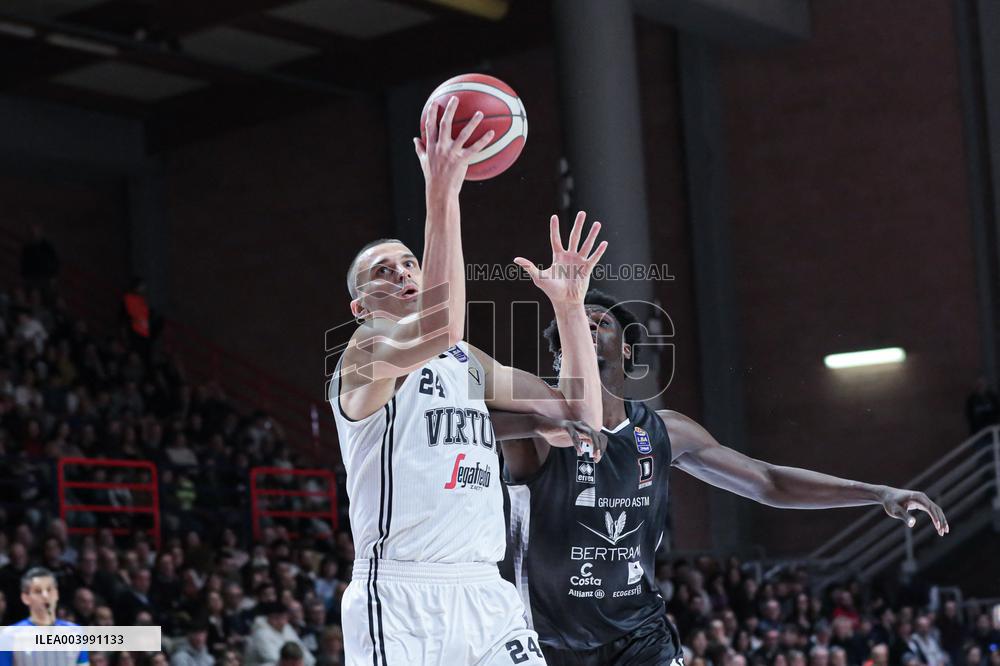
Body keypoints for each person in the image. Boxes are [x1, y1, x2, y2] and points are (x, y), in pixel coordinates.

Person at [501, 289, 950, 665]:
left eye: (599, 322)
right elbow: (466, 411)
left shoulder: (664, 431)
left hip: (639, 638)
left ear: (628, 351)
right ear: (561, 352)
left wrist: (877, 493)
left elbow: (768, 482)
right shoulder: (532, 430)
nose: (588, 328)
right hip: (545, 641)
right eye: (575, 324)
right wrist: (539, 421)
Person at [330, 96, 609, 665]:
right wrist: (442, 191)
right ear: (360, 307)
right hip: (401, 596)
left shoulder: (464, 362)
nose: (403, 273)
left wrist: (570, 308)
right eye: (384, 271)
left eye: (409, 263)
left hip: (487, 591)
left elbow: (581, 412)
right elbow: (440, 325)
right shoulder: (363, 352)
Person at [0, 566, 89, 666]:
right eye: (38, 591)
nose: (45, 596)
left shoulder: (76, 633)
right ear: (25, 598)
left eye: (49, 590)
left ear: (56, 594)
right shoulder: (9, 636)